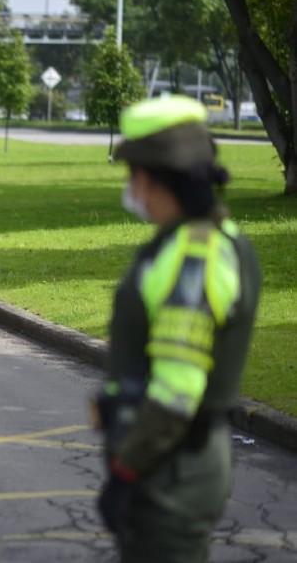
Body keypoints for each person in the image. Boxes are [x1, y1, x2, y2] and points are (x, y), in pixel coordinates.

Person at [94, 95, 261, 562]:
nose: (131, 187)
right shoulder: (191, 242)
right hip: (167, 466)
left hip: (171, 474)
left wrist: (127, 473)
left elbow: (177, 390)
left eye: (133, 175)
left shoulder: (196, 258)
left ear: (148, 177)